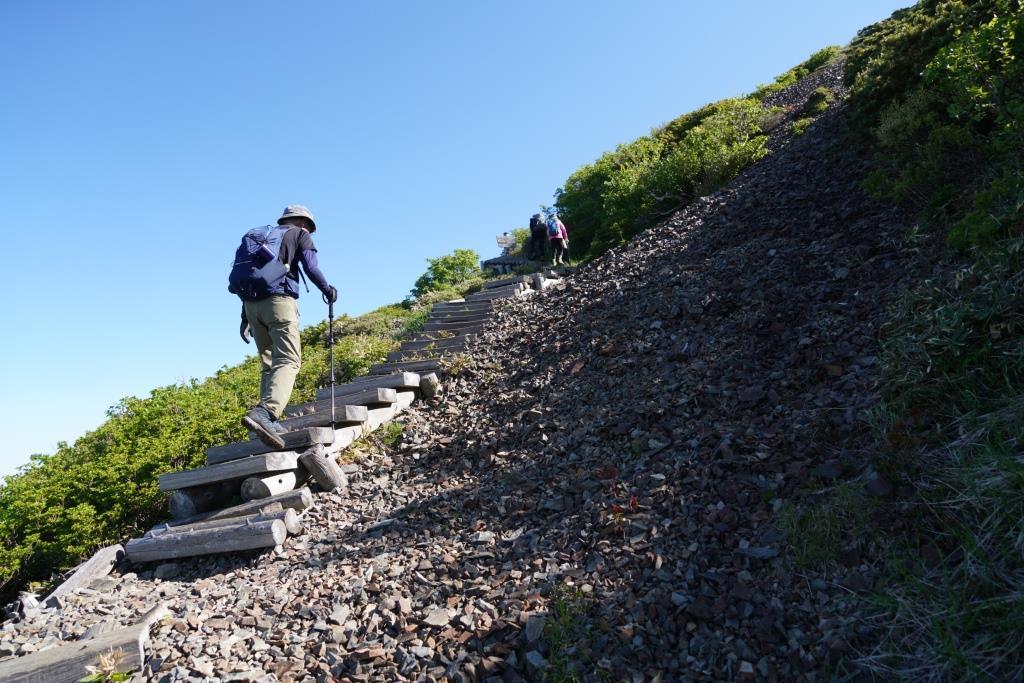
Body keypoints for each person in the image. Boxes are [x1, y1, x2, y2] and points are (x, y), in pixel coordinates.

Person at [235, 205, 337, 448]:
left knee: (269, 363)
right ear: (302, 221)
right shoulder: (300, 234)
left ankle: (266, 421)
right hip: (279, 302)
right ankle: (266, 413)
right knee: (289, 360)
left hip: (251, 305)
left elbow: (250, 275)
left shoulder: (258, 235)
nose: (309, 230)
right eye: (309, 226)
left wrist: (245, 317)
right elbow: (311, 267)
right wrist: (328, 290)